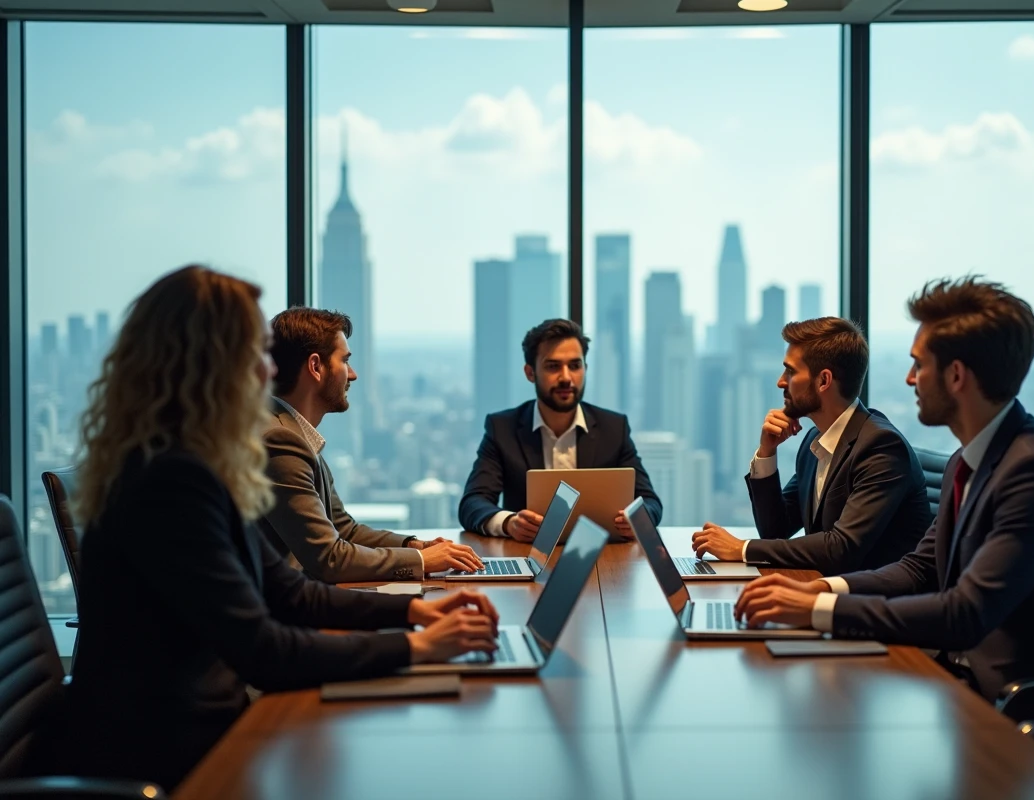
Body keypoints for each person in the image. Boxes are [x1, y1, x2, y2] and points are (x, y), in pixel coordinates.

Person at [59, 266, 499, 791]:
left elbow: (290, 593)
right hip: (170, 757)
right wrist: (417, 649)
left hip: (203, 730)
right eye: (254, 354)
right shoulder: (171, 482)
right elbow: (263, 651)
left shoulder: (201, 465)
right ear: (209, 367)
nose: (269, 372)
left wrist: (416, 612)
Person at [733, 277, 1034, 778]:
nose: (909, 379)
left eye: (919, 364)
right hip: (974, 688)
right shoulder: (974, 458)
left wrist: (821, 608)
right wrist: (819, 593)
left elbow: (965, 613)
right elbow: (919, 569)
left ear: (956, 375)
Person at [259, 307, 484, 581]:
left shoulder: (292, 431)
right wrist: (422, 560)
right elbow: (329, 558)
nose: (352, 375)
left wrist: (413, 546)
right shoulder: (281, 439)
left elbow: (343, 530)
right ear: (316, 367)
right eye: (345, 361)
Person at [691, 317, 929, 574]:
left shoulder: (881, 447)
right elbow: (776, 531)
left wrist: (742, 549)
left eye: (791, 371)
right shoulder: (814, 442)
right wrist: (766, 453)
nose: (781, 381)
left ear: (823, 380)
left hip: (876, 605)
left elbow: (841, 548)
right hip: (827, 592)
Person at [459, 318, 662, 541]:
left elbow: (650, 502)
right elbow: (472, 503)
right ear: (530, 373)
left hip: (603, 558)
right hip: (527, 558)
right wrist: (509, 523)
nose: (566, 377)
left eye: (575, 366)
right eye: (553, 366)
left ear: (585, 368)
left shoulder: (613, 428)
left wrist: (636, 520)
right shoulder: (502, 429)